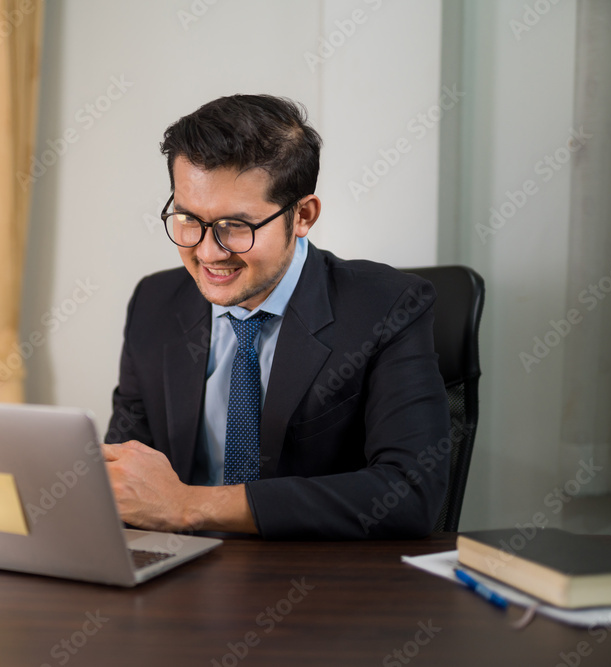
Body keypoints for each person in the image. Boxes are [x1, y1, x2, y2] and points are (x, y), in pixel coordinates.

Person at [101, 94, 450, 540]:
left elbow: (410, 491)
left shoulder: (387, 306)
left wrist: (191, 505)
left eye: (236, 226)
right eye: (188, 219)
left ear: (303, 215)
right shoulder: (155, 302)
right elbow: (127, 470)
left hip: (316, 583)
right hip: (179, 576)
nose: (208, 253)